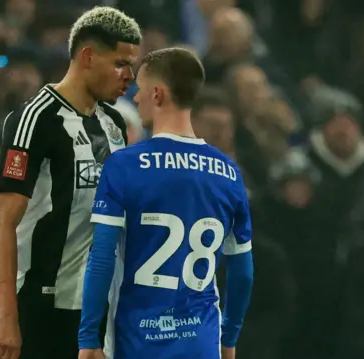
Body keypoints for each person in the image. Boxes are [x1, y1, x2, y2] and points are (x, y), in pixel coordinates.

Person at [78, 48, 254, 359]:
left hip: (137, 342)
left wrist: (89, 339)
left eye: (140, 89)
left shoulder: (124, 166)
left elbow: (102, 258)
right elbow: (242, 272)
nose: (134, 98)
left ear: (157, 94)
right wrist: (228, 339)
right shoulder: (228, 172)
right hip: (201, 343)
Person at [0, 6, 141, 359]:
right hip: (37, 308)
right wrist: (9, 317)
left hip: (93, 314)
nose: (129, 76)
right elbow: (2, 222)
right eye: (120, 63)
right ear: (87, 56)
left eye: (132, 66)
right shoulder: (36, 119)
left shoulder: (114, 124)